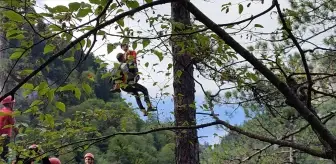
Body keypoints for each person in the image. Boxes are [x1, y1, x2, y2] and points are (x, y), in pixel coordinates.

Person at [0, 95, 18, 162]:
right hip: (5, 137)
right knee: (4, 155)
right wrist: (17, 133)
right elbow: (14, 126)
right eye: (13, 103)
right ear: (10, 104)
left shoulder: (1, 111)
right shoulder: (10, 113)